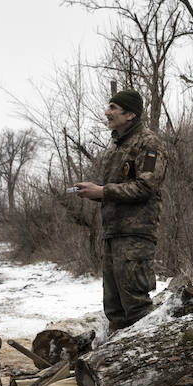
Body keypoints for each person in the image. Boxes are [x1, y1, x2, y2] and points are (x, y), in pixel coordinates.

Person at [75, 89, 166, 333]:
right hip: (113, 234)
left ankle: (150, 361)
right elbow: (116, 189)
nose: (107, 112)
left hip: (135, 236)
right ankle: (118, 363)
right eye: (109, 107)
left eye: (113, 107)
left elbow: (146, 186)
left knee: (136, 306)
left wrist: (103, 191)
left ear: (130, 114)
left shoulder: (149, 143)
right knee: (114, 309)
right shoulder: (115, 147)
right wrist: (93, 192)